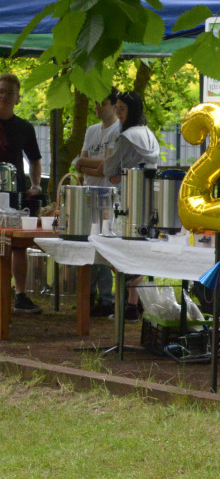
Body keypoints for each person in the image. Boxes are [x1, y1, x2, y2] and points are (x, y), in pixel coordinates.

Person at [100, 90, 161, 322]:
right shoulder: (149, 135)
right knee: (140, 250)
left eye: (122, 109)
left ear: (133, 111)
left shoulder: (126, 137)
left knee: (124, 251)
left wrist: (117, 173)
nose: (117, 112)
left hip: (128, 198)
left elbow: (109, 170)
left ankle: (128, 306)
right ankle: (133, 305)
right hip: (150, 198)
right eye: (116, 108)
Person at [0, 73, 45, 314]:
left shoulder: (24, 128)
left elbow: (35, 160)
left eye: (10, 92)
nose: (4, 96)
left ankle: (20, 295)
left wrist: (36, 185)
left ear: (18, 98)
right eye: (1, 91)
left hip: (15, 196)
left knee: (18, 246)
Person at [74, 88, 121, 318]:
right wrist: (88, 163)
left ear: (113, 105)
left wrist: (86, 162)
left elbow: (106, 166)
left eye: (101, 103)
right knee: (86, 246)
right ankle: (87, 295)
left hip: (107, 195)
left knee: (102, 247)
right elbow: (79, 164)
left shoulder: (118, 129)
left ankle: (106, 298)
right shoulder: (92, 130)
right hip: (87, 193)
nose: (96, 108)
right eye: (94, 103)